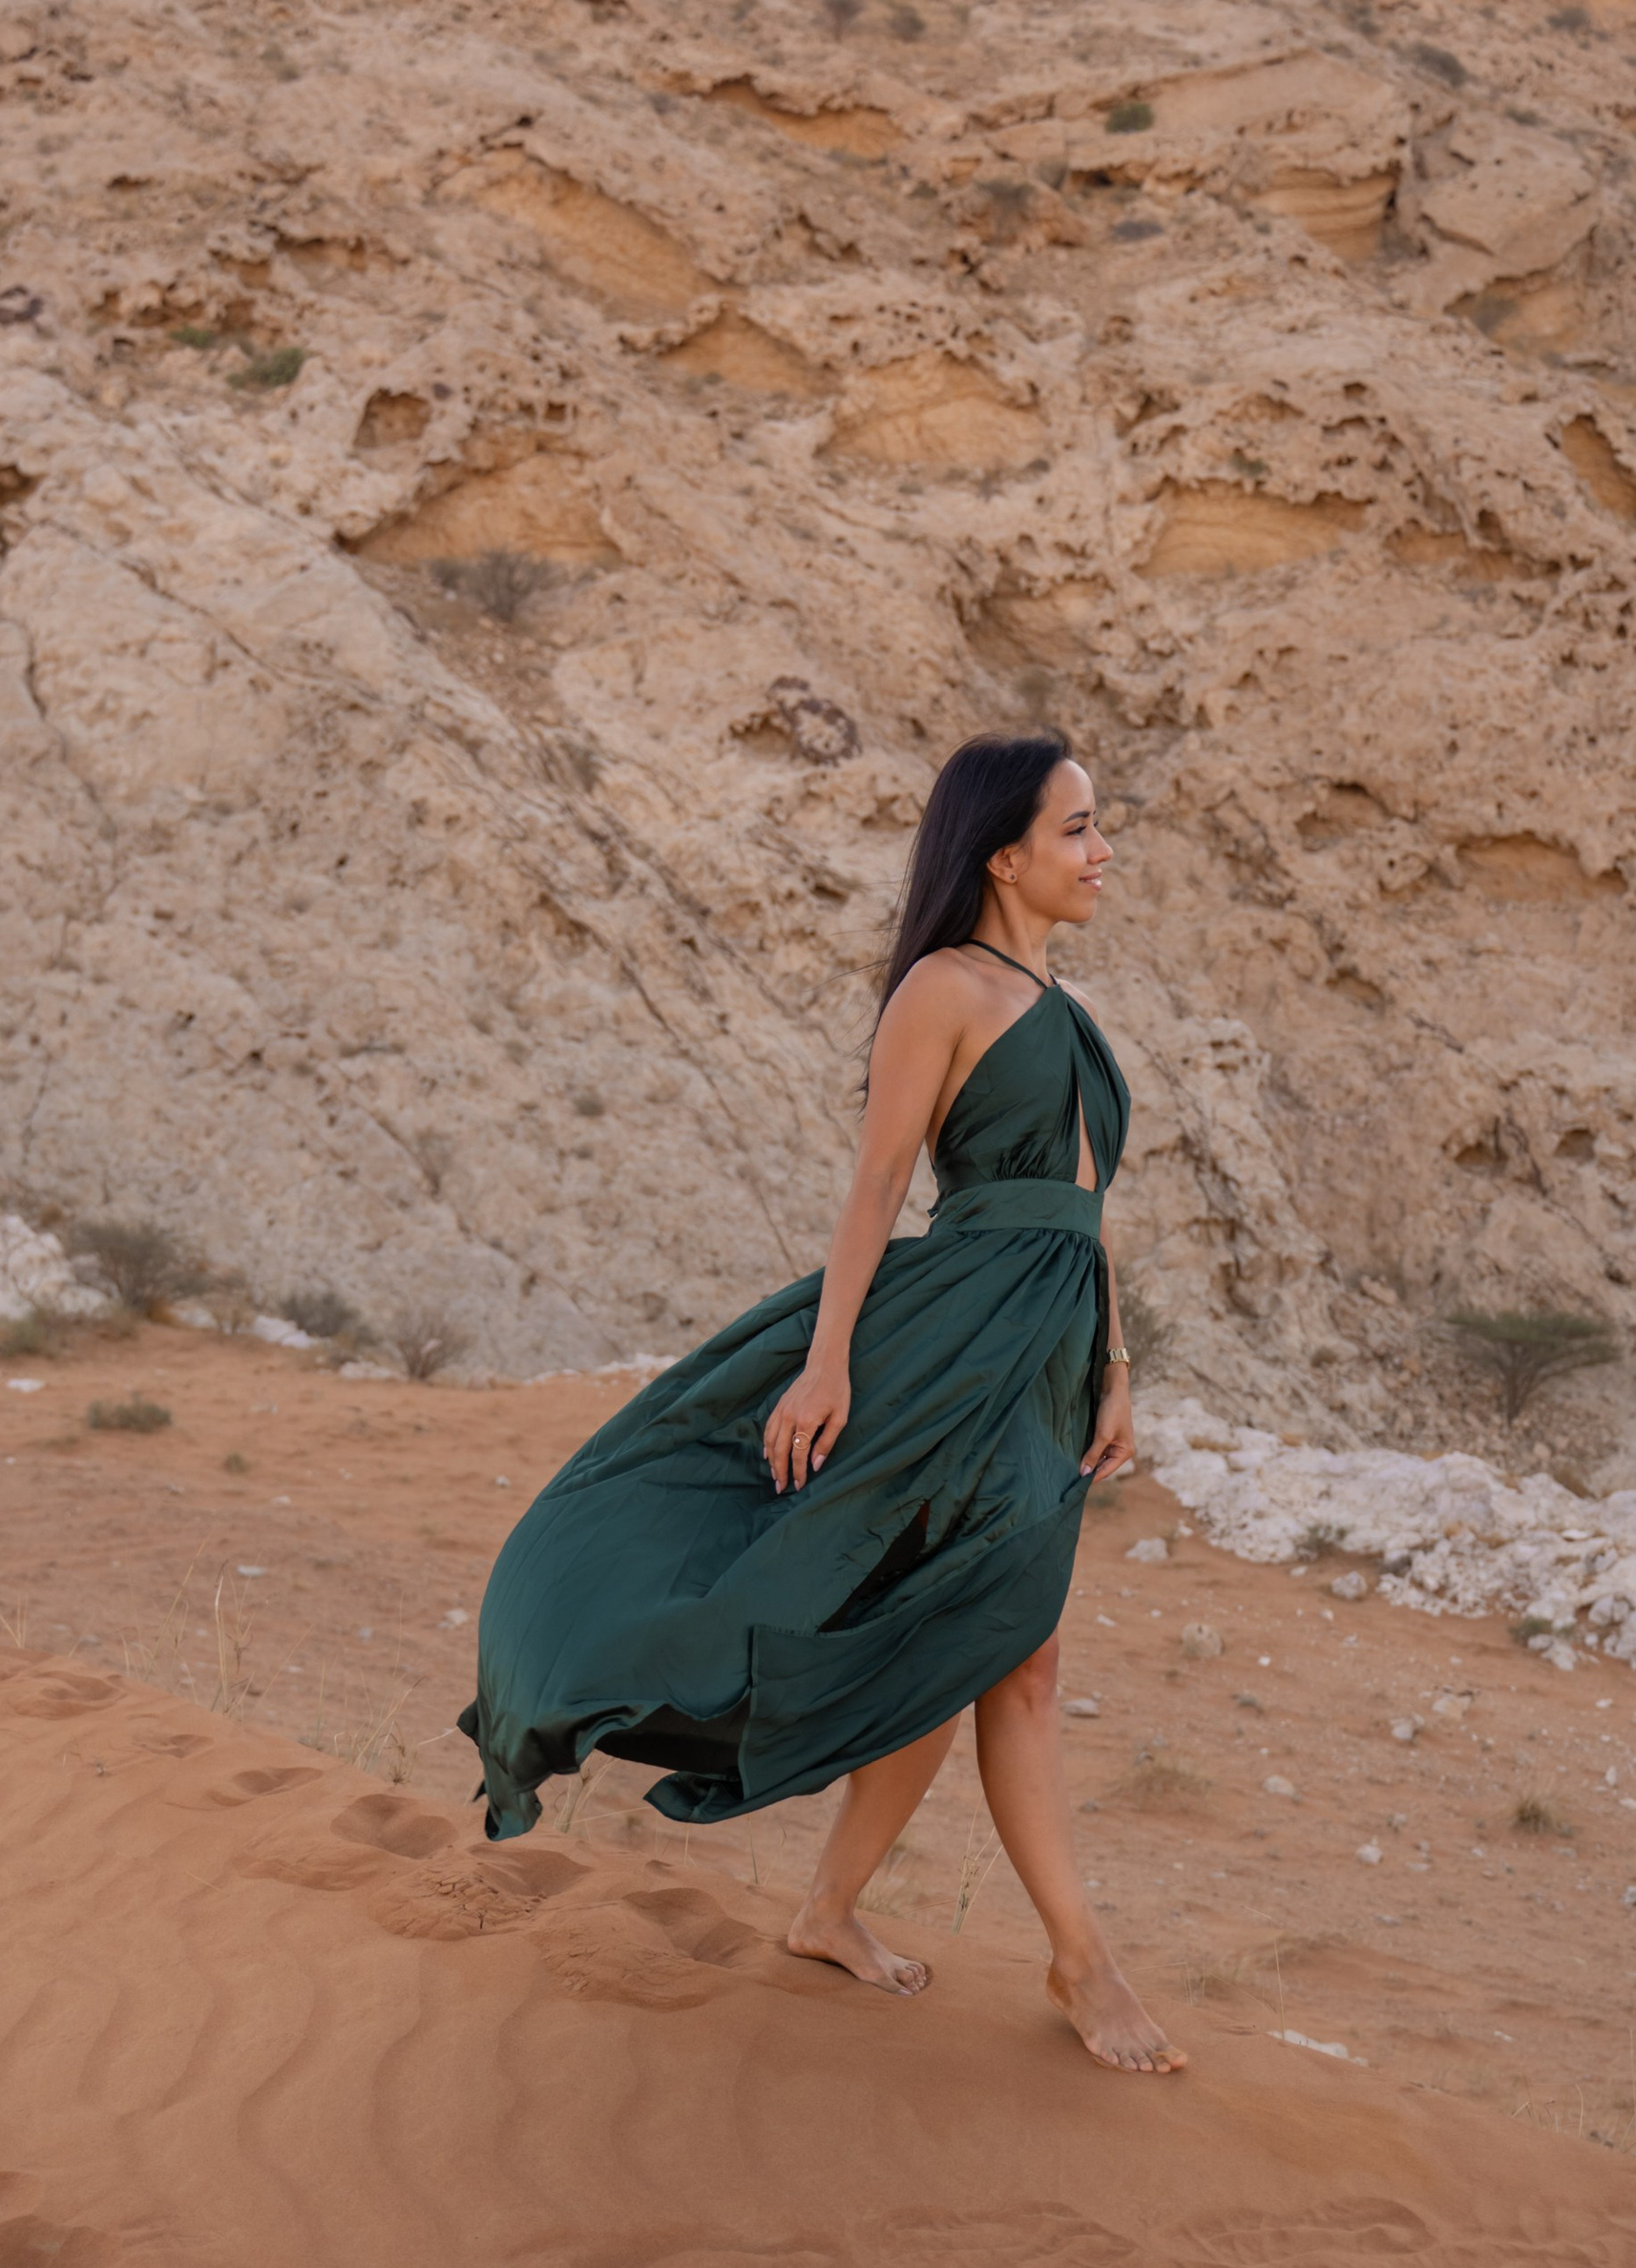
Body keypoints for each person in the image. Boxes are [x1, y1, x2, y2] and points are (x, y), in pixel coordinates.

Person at [461, 731, 1183, 2075]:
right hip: (947, 1345)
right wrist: (829, 1359)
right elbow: (876, 1184)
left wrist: (1118, 1368)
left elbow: (1085, 1215)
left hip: (1045, 1356)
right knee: (1008, 1650)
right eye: (1079, 828)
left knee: (955, 1633)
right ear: (1002, 850)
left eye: (1100, 826)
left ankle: (826, 1910)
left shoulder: (1065, 1010)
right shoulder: (944, 990)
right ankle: (1082, 1958)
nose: (1102, 851)